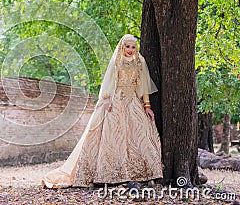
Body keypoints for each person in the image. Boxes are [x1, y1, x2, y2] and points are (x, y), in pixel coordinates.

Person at [41, 34, 163, 188]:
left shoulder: (140, 62)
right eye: (127, 46)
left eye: (133, 47)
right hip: (117, 100)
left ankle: (141, 173)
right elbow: (109, 83)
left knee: (139, 134)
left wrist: (147, 105)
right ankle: (112, 173)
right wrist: (107, 101)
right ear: (122, 47)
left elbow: (144, 84)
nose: (130, 50)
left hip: (133, 101)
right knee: (115, 135)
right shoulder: (116, 61)